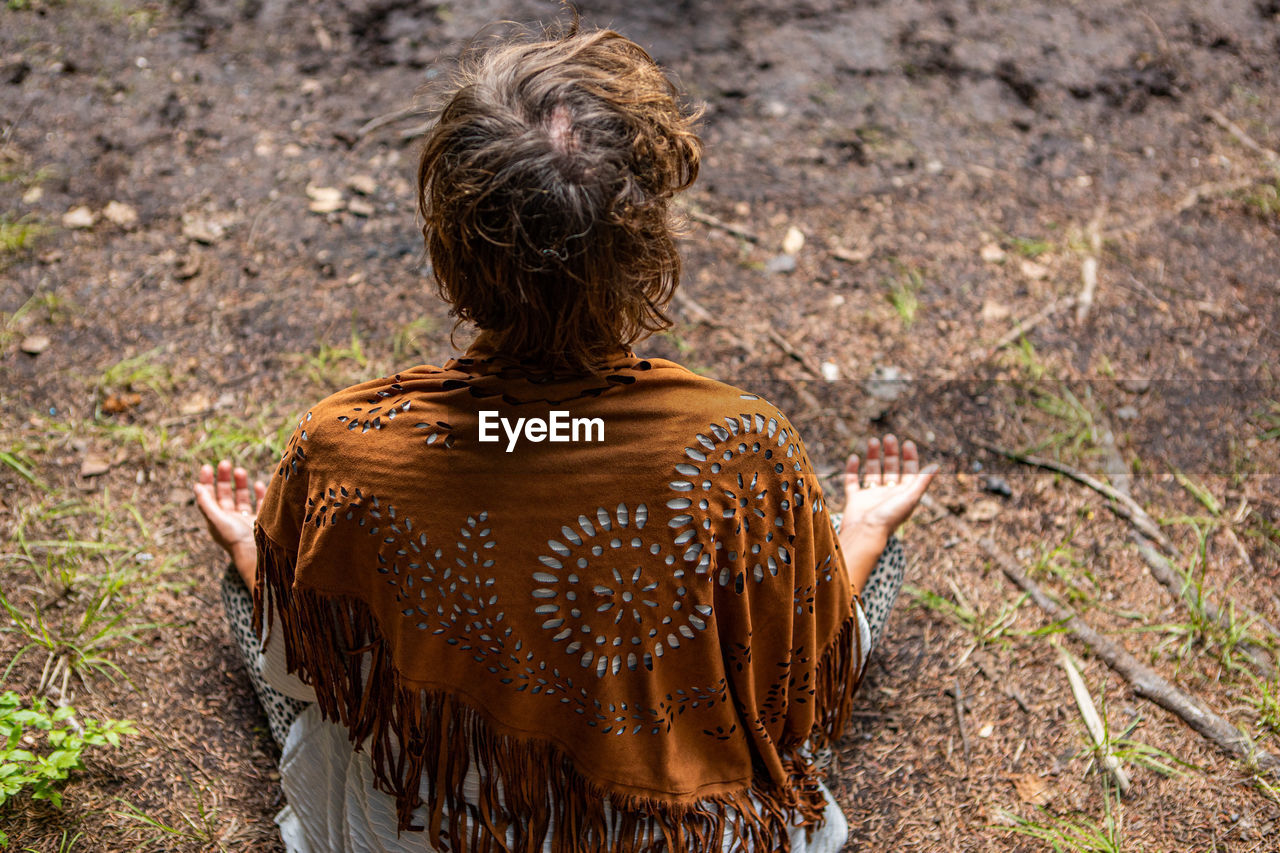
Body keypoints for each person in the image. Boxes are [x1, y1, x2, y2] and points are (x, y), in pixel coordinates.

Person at [195, 25, 936, 853]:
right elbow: (795, 688)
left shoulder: (339, 449)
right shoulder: (747, 452)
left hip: (415, 833)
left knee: (257, 580)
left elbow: (301, 669)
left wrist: (256, 551)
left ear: (449, 249)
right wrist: (866, 526)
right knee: (864, 564)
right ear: (645, 252)